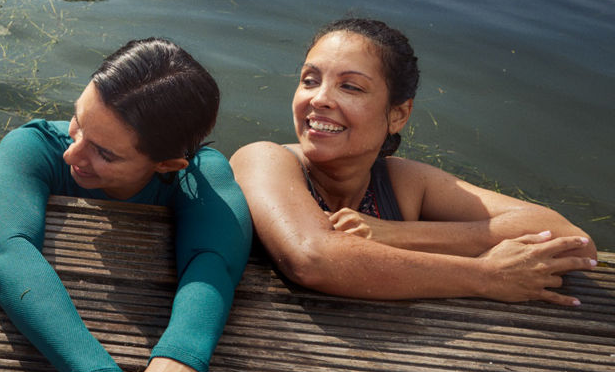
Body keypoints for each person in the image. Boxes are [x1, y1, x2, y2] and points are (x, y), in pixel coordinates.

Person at [230, 18, 598, 306]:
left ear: (398, 115)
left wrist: (399, 234)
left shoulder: (403, 183)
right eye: (310, 80)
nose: (319, 99)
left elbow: (574, 242)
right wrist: (483, 275)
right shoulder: (264, 159)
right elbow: (314, 258)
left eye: (351, 87)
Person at [0, 38, 252, 372]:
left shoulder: (199, 173)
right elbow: (7, 249)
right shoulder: (34, 146)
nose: (71, 153)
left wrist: (181, 358)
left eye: (104, 153)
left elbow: (214, 258)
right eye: (78, 121)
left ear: (166, 165)